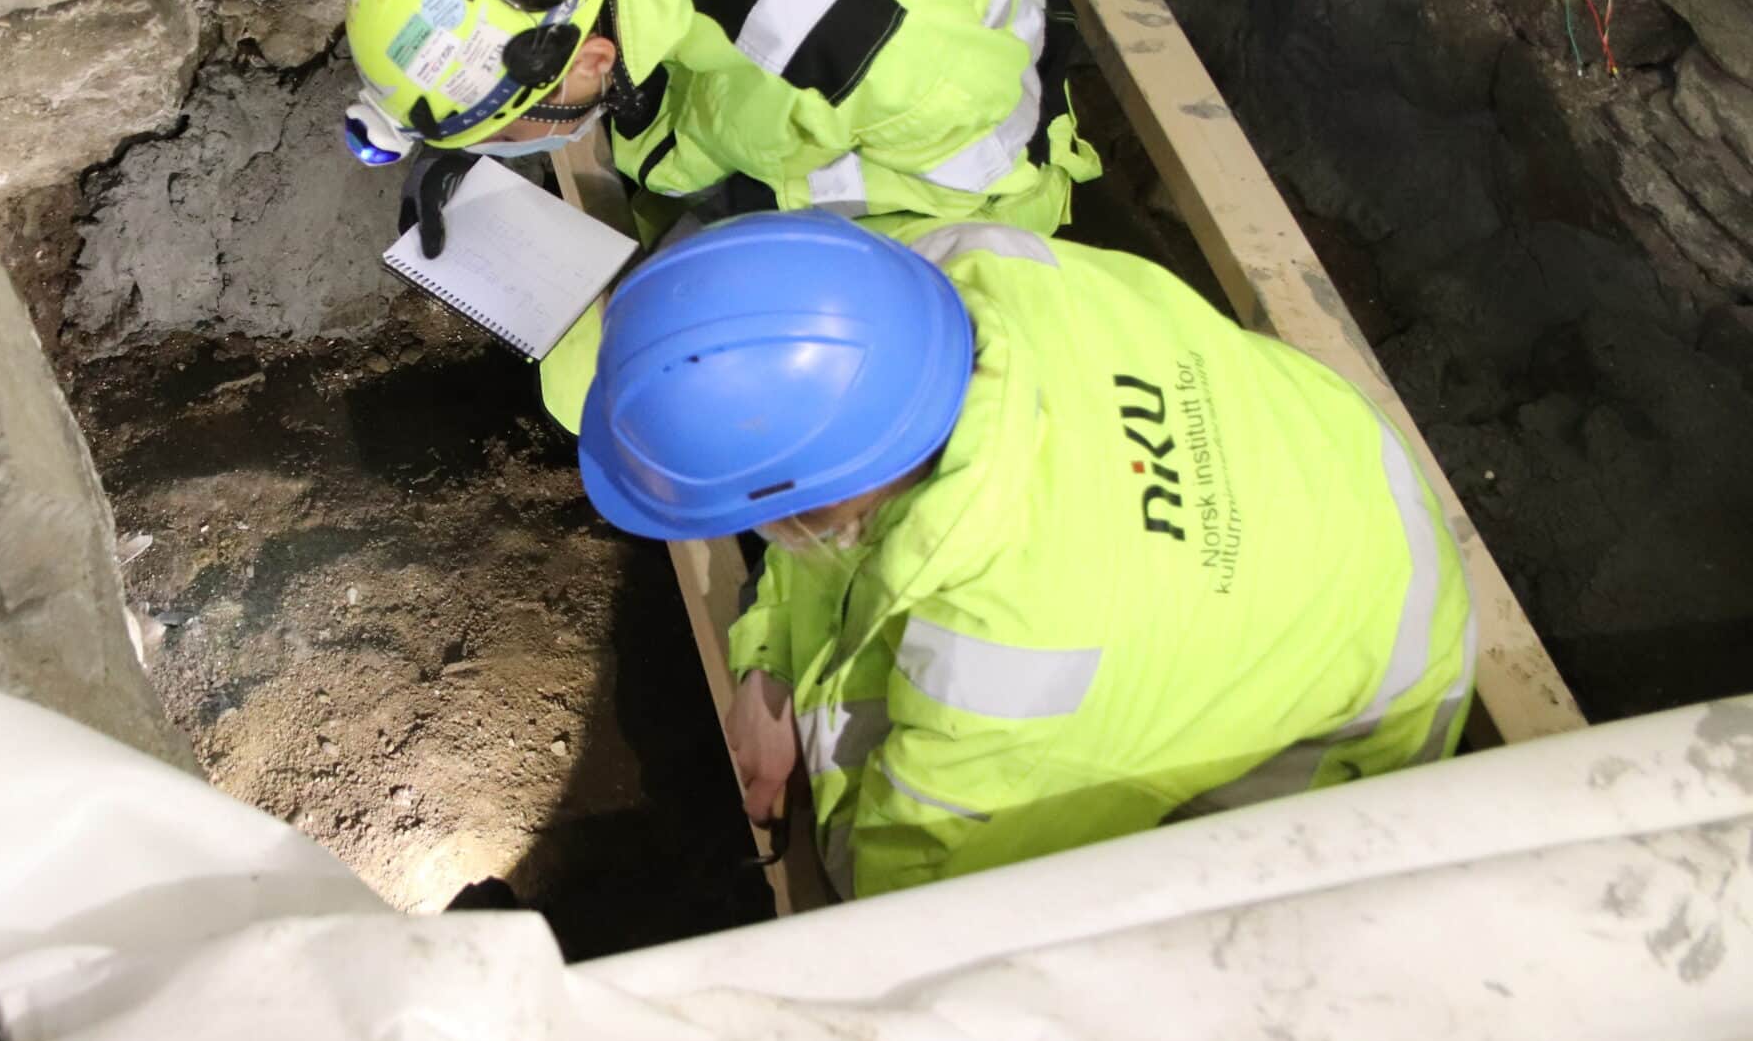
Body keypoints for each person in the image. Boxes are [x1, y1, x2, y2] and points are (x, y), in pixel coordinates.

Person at [575, 210, 1475, 900]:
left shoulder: (1014, 662)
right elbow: (843, 513)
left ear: (814, 506)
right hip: (1333, 461)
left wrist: (807, 720)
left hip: (1364, 714)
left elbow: (911, 892)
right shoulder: (955, 267)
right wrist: (772, 658)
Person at [340, 0, 1100, 428]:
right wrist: (434, 136)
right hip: (830, 50)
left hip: (959, 166)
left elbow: (987, 218)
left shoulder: (880, 55)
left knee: (646, 387)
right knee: (585, 371)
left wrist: (761, 263)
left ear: (593, 58)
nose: (506, 147)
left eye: (505, 131)